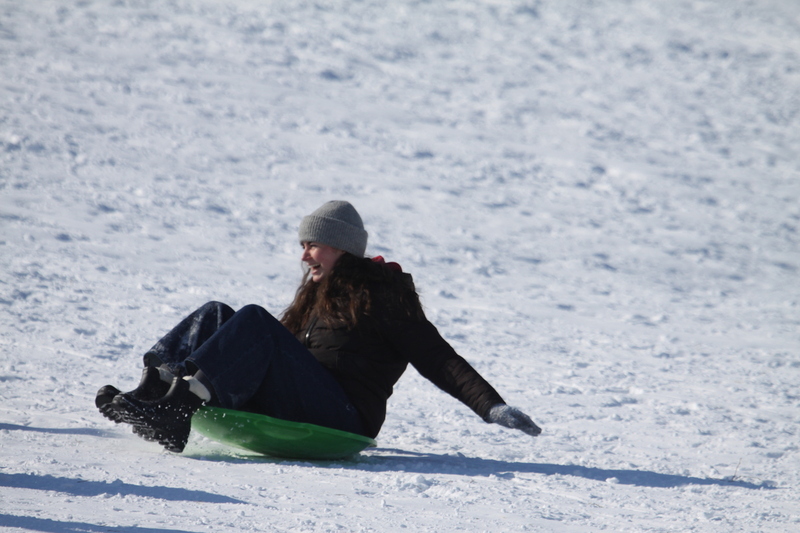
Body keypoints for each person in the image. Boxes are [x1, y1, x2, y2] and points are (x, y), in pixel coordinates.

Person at [95, 200, 542, 453]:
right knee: (217, 313)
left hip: (344, 414)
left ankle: (180, 408)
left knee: (252, 317)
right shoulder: (315, 294)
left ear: (341, 247)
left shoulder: (382, 295)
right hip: (306, 397)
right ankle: (156, 391)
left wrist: (491, 406)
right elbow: (274, 352)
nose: (304, 255)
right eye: (303, 245)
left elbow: (436, 356)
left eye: (313, 245)